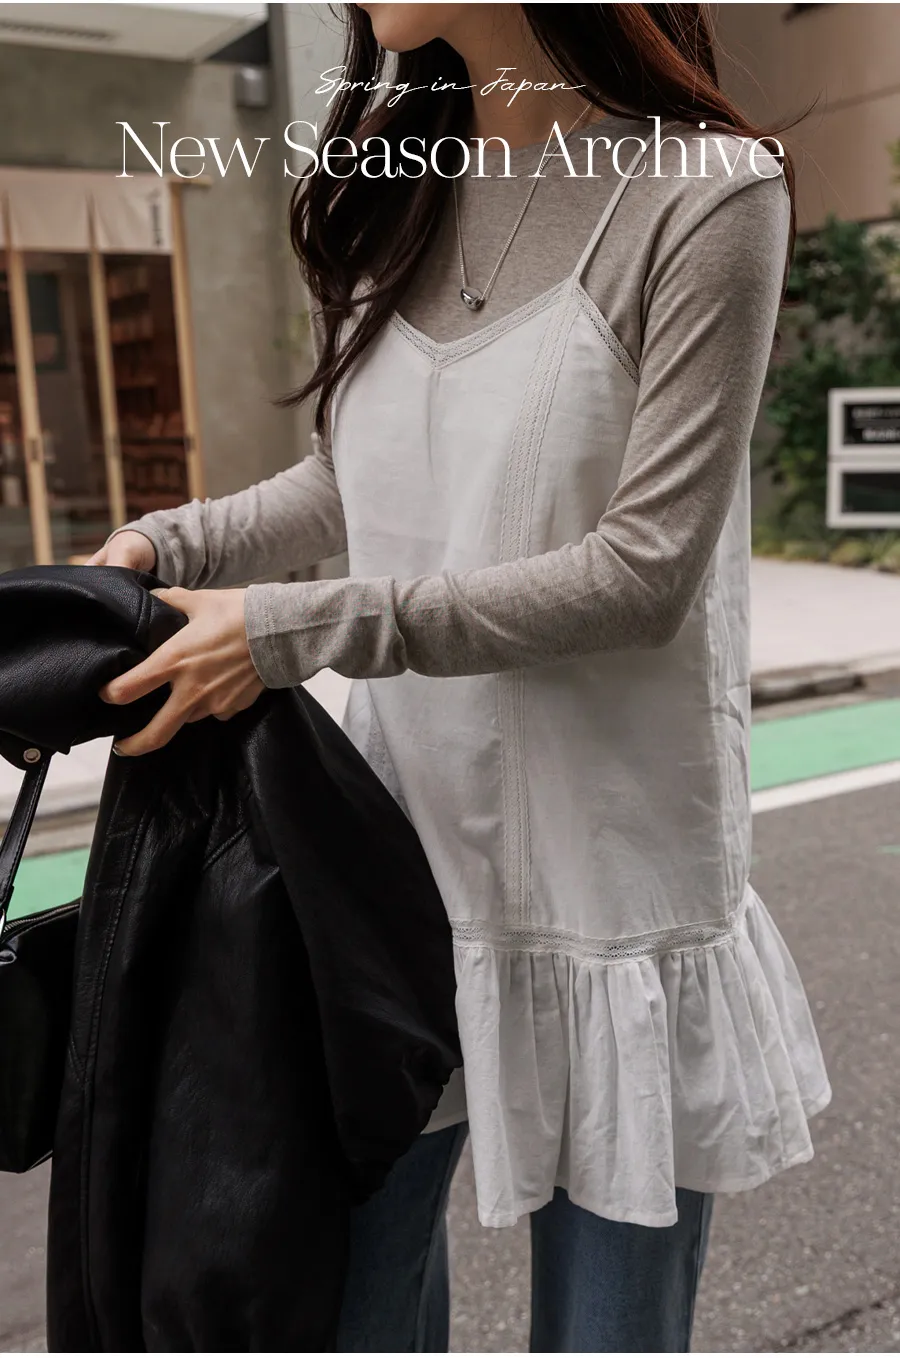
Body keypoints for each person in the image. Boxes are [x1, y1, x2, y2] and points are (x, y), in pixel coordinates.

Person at [87, 4, 831, 1351]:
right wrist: (160, 546)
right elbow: (352, 477)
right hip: (389, 873)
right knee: (350, 1316)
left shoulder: (704, 194)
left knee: (607, 1335)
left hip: (610, 885)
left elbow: (642, 571)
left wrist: (290, 629)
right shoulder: (398, 188)